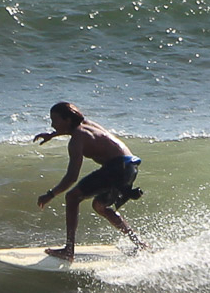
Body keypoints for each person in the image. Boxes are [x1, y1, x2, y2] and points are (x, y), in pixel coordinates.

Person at [34, 101, 147, 258]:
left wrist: (50, 194)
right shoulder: (87, 124)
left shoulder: (76, 141)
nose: (52, 125)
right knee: (100, 206)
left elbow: (71, 177)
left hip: (116, 168)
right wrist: (52, 135)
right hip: (130, 167)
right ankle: (140, 243)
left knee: (72, 197)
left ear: (67, 120)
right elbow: (72, 129)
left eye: (55, 121)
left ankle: (68, 250)